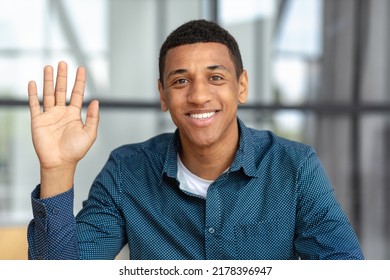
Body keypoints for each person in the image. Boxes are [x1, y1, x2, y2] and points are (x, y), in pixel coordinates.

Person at [27, 19, 364, 260]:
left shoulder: (295, 166)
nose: (199, 95)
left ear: (241, 86)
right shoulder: (126, 171)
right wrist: (57, 169)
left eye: (215, 77)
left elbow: (344, 267)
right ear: (163, 95)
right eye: (180, 81)